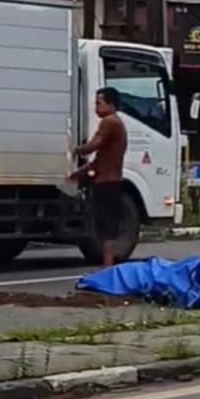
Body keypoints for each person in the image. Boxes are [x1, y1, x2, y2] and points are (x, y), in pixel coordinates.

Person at [70, 88, 129, 268]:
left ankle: (107, 268)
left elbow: (94, 146)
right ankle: (107, 267)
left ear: (110, 104)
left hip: (108, 183)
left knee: (106, 228)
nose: (96, 107)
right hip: (109, 182)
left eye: (98, 103)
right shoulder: (116, 123)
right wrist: (77, 173)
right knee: (106, 227)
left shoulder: (109, 122)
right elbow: (98, 161)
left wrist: (74, 149)